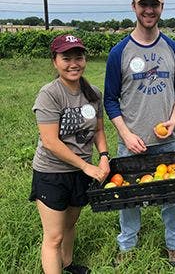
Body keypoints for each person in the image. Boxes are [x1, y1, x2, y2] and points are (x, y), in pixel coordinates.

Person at [104, 0, 175, 270]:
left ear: (162, 7)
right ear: (134, 6)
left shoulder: (174, 50)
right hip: (132, 142)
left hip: (168, 140)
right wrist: (126, 135)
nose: (149, 10)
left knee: (171, 197)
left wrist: (173, 120)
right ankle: (127, 246)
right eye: (144, 4)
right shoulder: (119, 52)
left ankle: (174, 246)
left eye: (154, 4)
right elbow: (111, 100)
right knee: (127, 197)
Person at [29, 34, 110, 274]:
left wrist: (104, 155)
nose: (74, 63)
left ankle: (68, 264)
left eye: (79, 57)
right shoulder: (50, 94)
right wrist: (86, 166)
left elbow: (99, 129)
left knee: (70, 224)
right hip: (52, 173)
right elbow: (50, 141)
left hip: (81, 172)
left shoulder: (93, 92)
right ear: (55, 61)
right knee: (53, 236)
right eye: (66, 58)